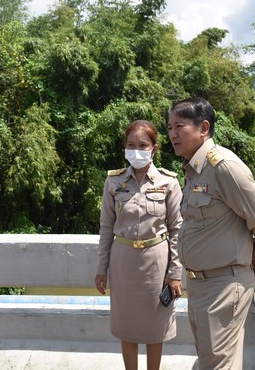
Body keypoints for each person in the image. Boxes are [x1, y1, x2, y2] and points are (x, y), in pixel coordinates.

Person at [167, 97, 255, 369]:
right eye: (170, 127)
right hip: (201, 284)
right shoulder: (194, 168)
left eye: (179, 126)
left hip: (224, 285)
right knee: (216, 361)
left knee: (216, 364)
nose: (172, 134)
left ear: (204, 127)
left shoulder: (223, 166)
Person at [95, 120, 183, 370]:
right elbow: (106, 228)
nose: (136, 150)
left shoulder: (169, 182)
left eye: (142, 145)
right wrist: (101, 269)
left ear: (154, 149)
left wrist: (175, 273)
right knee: (127, 327)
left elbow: (177, 230)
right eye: (131, 145)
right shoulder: (114, 182)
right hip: (123, 262)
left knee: (156, 327)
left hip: (156, 261)